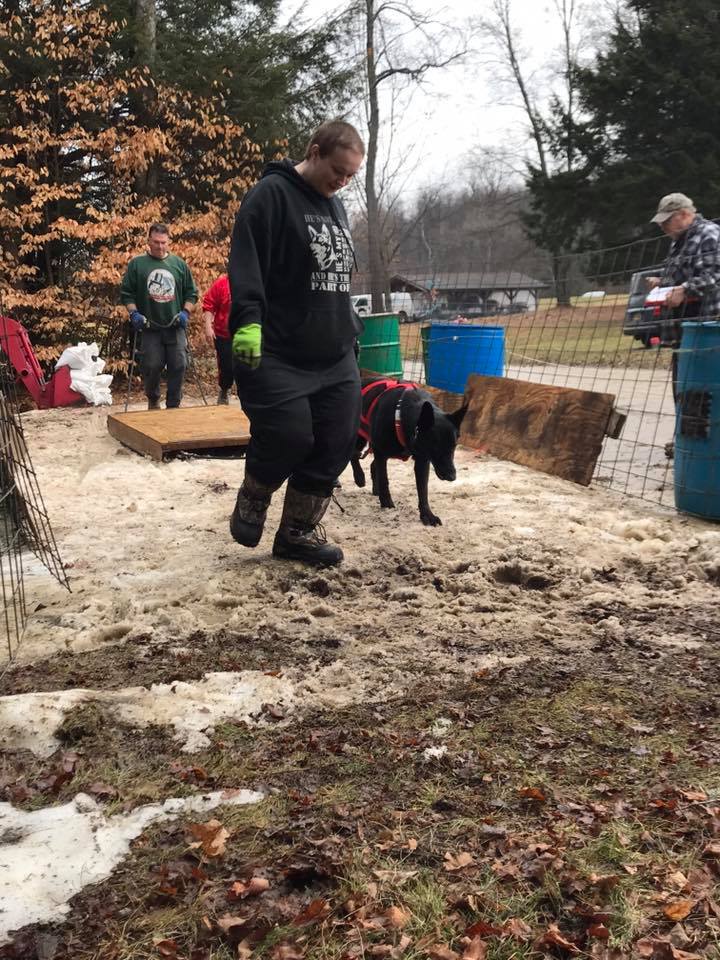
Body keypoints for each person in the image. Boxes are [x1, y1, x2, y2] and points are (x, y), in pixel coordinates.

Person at [228, 119, 365, 567]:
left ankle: (297, 534)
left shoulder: (335, 206)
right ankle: (255, 493)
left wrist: (350, 334)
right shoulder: (270, 195)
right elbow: (247, 261)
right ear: (315, 150)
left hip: (334, 351)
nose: (342, 183)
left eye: (350, 177)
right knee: (288, 436)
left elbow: (335, 278)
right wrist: (247, 320)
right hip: (279, 349)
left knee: (337, 440)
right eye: (338, 171)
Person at [647, 193, 720, 458]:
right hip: (682, 330)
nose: (663, 227)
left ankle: (705, 444)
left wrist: (685, 288)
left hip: (706, 327)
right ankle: (687, 439)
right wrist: (663, 283)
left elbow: (715, 275)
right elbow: (683, 274)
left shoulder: (709, 235)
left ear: (685, 215)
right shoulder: (680, 241)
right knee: (683, 387)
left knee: (703, 389)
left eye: (668, 221)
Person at [120, 223, 198, 410]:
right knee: (152, 365)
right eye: (156, 242)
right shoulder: (137, 264)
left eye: (163, 242)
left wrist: (185, 312)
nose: (160, 246)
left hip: (175, 325)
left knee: (179, 365)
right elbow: (127, 293)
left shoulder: (179, 265)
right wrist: (134, 313)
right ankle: (153, 398)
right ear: (149, 241)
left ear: (168, 241)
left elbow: (191, 293)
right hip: (150, 327)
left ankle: (173, 404)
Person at [201, 273, 234, 404]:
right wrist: (208, 327)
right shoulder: (222, 283)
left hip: (247, 333)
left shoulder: (253, 280)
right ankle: (225, 390)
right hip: (224, 333)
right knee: (227, 366)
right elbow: (209, 304)